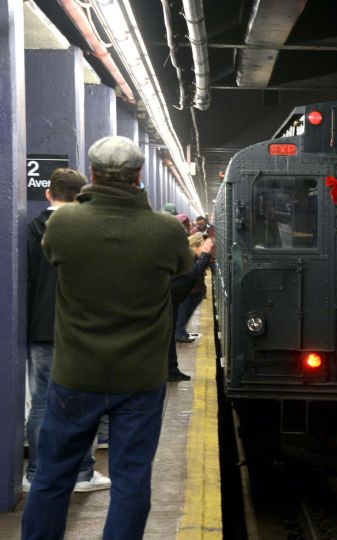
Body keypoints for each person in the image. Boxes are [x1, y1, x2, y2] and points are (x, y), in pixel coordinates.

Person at [21, 136, 191, 540]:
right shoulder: (165, 231)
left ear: (92, 175)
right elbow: (183, 269)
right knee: (131, 480)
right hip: (140, 381)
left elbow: (51, 254)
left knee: (53, 476)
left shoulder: (65, 223)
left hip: (76, 374)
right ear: (139, 176)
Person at [25, 168, 111, 494]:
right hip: (78, 331)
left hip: (39, 330)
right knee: (81, 402)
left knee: (43, 403)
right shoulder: (89, 231)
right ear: (81, 195)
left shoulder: (29, 230)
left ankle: (34, 474)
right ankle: (82, 473)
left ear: (48, 194)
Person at [168, 233, 214, 379]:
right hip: (167, 300)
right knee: (167, 336)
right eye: (204, 246)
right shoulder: (183, 256)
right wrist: (205, 256)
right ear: (195, 245)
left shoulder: (182, 254)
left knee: (169, 336)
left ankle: (171, 370)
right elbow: (190, 275)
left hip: (170, 300)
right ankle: (170, 370)